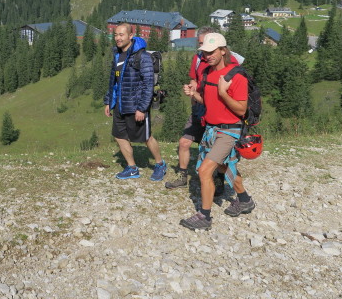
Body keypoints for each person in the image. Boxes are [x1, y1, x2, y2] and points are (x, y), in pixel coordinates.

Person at [179, 32, 255, 230]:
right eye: (205, 52)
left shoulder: (236, 76)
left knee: (205, 171)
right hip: (212, 129)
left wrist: (223, 91)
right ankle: (244, 199)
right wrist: (194, 94)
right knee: (222, 167)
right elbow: (209, 103)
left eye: (212, 51)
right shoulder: (207, 73)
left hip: (229, 130)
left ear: (223, 50)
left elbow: (241, 109)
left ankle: (204, 216)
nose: (208, 55)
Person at [164, 27, 244, 194]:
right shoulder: (198, 59)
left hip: (220, 117)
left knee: (219, 157)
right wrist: (193, 89)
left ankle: (224, 186)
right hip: (200, 108)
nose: (205, 50)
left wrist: (220, 93)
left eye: (208, 45)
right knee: (184, 142)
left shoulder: (230, 65)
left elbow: (234, 89)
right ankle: (183, 177)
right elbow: (195, 79)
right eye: (201, 44)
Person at [104, 23, 167, 181]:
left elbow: (148, 84)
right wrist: (109, 101)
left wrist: (142, 108)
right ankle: (132, 168)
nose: (118, 38)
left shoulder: (142, 56)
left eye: (121, 35)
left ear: (130, 36)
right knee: (119, 136)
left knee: (146, 137)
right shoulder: (117, 55)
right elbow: (114, 81)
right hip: (120, 104)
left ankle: (160, 164)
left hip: (136, 106)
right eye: (116, 35)